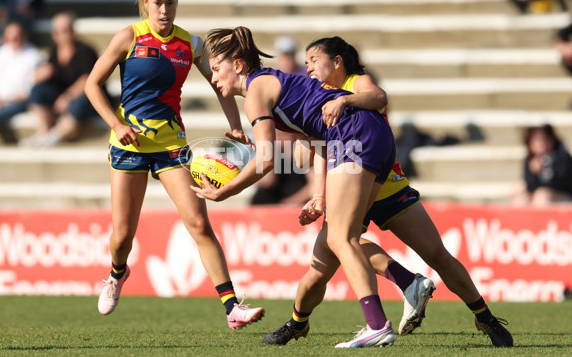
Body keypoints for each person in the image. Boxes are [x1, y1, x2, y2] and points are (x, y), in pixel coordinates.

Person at [262, 36, 513, 348]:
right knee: (321, 268)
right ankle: (297, 324)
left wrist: (344, 100)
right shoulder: (318, 98)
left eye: (314, 59)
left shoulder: (356, 82)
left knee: (435, 254)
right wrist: (319, 195)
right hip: (351, 183)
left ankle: (484, 316)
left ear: (337, 61)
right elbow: (320, 148)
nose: (309, 66)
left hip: (382, 181)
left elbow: (378, 97)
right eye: (307, 61)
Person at [195, 26, 401, 348]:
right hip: (376, 136)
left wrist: (225, 191)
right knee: (329, 249)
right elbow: (317, 140)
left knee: (340, 237)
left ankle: (377, 324)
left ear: (237, 65)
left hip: (355, 135)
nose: (213, 76)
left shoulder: (255, 93)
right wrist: (319, 195)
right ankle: (304, 322)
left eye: (217, 68)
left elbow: (265, 160)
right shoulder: (274, 84)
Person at [84, 0, 264, 329]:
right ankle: (118, 273)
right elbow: (91, 85)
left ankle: (232, 307)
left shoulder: (192, 44)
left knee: (199, 222)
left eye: (170, 3)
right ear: (145, 3)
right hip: (129, 146)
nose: (164, 11)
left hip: (171, 147)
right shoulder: (128, 37)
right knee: (121, 236)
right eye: (158, 4)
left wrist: (234, 123)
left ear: (178, 2)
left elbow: (220, 83)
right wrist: (117, 124)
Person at [19, 12, 102, 147]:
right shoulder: (54, 52)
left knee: (82, 102)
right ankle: (43, 133)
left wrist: (67, 97)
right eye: (59, 31)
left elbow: (88, 79)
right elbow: (41, 76)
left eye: (66, 30)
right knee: (37, 91)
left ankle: (54, 136)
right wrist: (40, 74)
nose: (64, 34)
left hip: (82, 98)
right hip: (61, 96)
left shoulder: (85, 51)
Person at [0, 21, 42, 142]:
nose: (14, 38)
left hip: (17, 102)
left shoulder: (34, 56)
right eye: (11, 35)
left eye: (17, 35)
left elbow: (27, 89)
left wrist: (2, 101)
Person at [512, 124, 572, 206]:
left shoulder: (562, 158)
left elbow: (562, 184)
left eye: (544, 139)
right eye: (536, 140)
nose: (541, 144)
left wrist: (543, 170)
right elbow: (530, 185)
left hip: (563, 196)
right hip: (538, 194)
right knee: (520, 197)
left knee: (542, 195)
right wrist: (534, 173)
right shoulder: (530, 159)